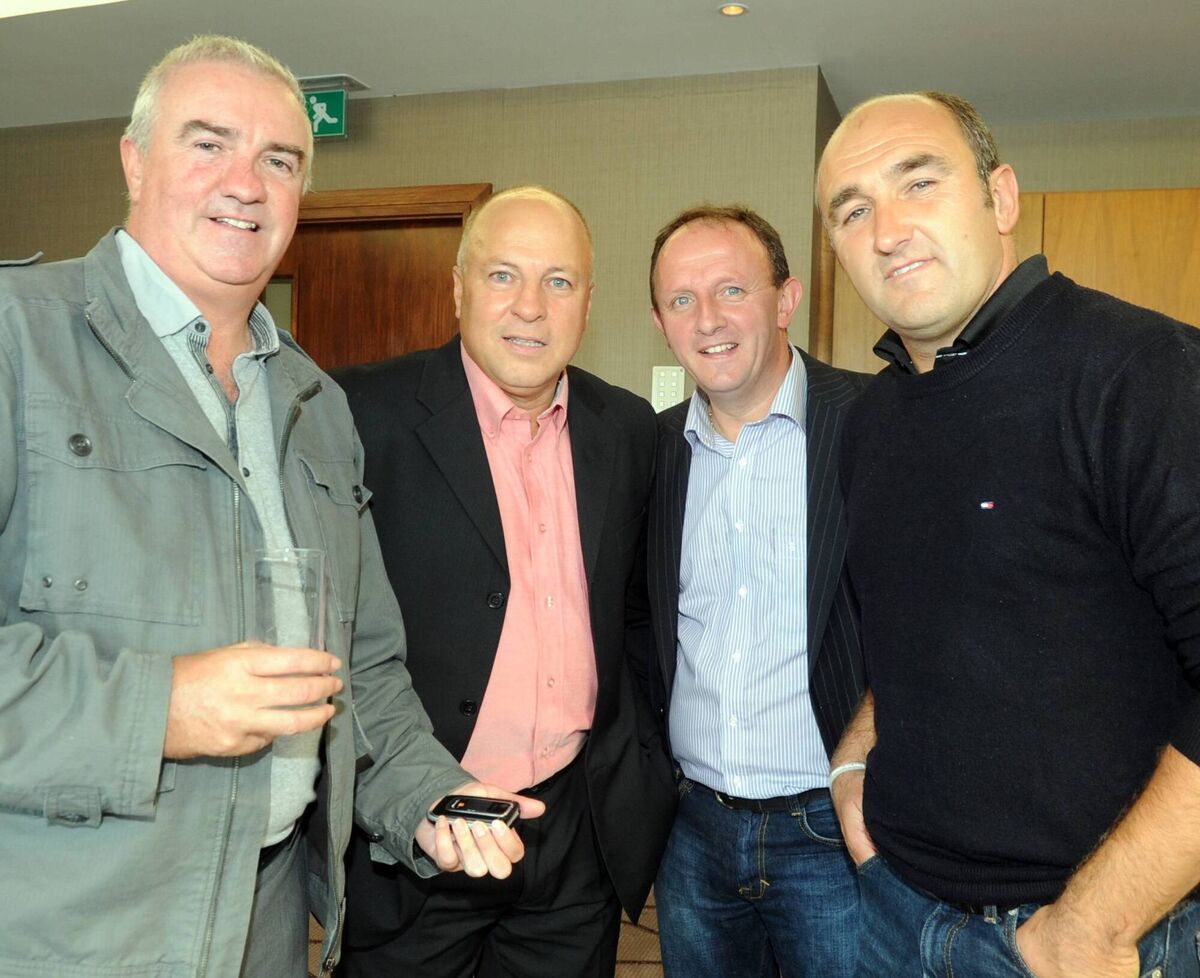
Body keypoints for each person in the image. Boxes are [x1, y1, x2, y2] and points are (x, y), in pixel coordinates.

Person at [0, 36, 538, 978]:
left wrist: (428, 795)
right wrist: (159, 708)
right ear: (134, 160)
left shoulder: (316, 406)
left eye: (278, 159)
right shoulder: (16, 340)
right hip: (62, 929)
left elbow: (358, 674)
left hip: (271, 923)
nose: (245, 182)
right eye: (208, 142)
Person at [817, 90, 1200, 978]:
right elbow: (924, 625)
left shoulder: (1145, 374)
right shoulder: (870, 423)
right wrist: (855, 760)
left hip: (1100, 939)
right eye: (853, 208)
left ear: (1000, 197)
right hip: (894, 913)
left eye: (919, 182)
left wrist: (1088, 929)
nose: (888, 230)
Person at [333, 186, 676, 978]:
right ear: (458, 287)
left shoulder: (626, 430)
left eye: (559, 281)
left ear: (588, 301)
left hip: (573, 838)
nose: (530, 306)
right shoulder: (358, 413)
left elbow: (636, 612)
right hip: (416, 841)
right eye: (502, 276)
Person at [645, 205, 870, 978]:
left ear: (786, 299)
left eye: (731, 290)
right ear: (660, 321)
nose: (707, 318)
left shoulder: (876, 425)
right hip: (693, 833)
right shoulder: (654, 453)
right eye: (681, 299)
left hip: (835, 833)